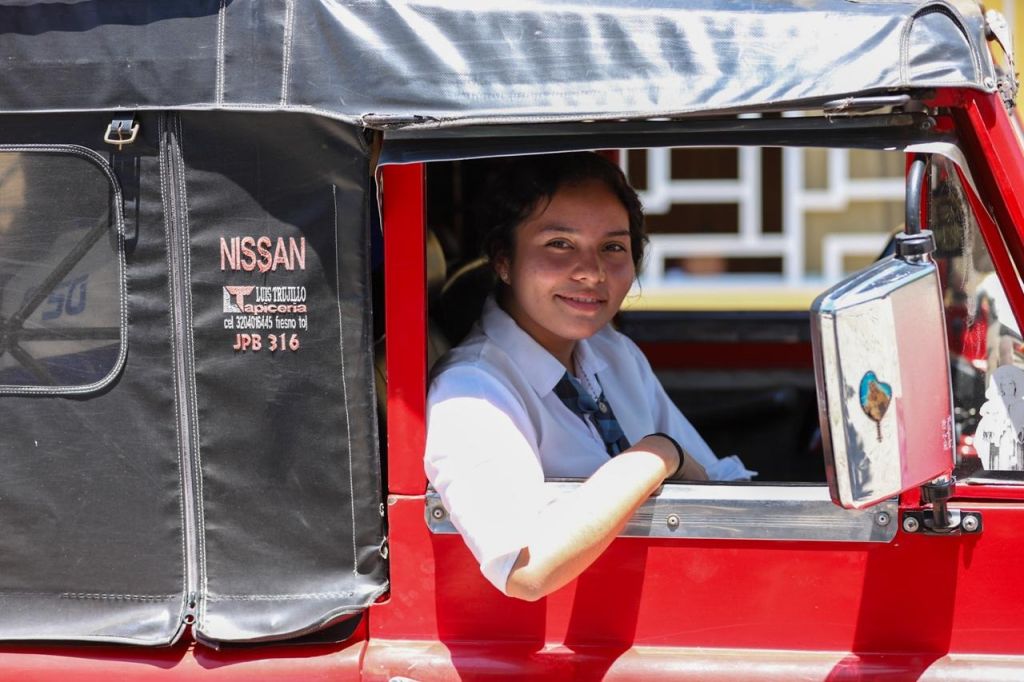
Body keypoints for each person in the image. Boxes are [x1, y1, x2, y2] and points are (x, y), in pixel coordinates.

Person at [425, 152, 754, 601]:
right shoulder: (473, 393)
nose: (592, 272)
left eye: (613, 247)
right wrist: (655, 454)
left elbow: (715, 487)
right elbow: (526, 569)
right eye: (559, 244)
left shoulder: (611, 353)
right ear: (503, 260)